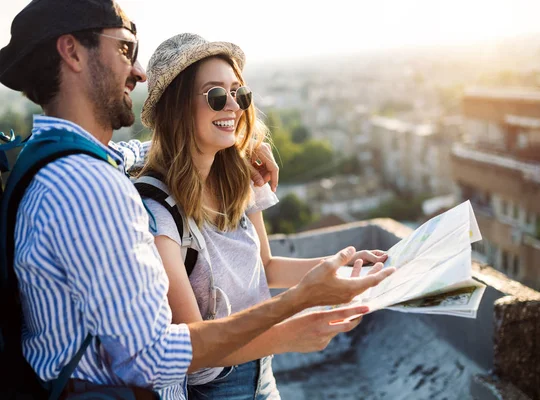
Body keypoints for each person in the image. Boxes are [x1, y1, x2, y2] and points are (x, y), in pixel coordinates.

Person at [0, 1, 394, 399]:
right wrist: (296, 310)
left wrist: (233, 140)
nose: (137, 72)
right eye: (124, 49)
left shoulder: (54, 158)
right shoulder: (91, 188)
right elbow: (154, 357)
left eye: (239, 94)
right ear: (71, 52)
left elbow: (138, 153)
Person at [138, 33, 390, 399]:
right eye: (216, 95)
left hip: (264, 373)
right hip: (217, 389)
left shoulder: (239, 177)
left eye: (239, 93)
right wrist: (291, 333)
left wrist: (345, 267)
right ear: (177, 107)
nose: (233, 107)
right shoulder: (156, 212)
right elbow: (195, 352)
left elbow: (266, 267)